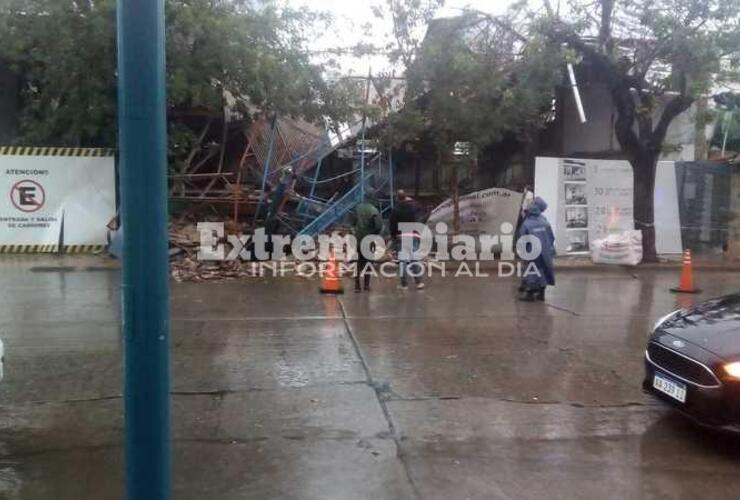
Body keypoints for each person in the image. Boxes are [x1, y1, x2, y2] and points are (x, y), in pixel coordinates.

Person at [518, 196, 555, 301]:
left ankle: (529, 293)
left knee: (532, 271)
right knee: (543, 270)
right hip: (545, 251)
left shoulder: (527, 224)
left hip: (532, 251)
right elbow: (551, 237)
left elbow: (522, 239)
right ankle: (541, 293)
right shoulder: (545, 221)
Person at [389, 190, 425, 290]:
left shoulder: (395, 209)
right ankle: (419, 283)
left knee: (402, 261)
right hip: (413, 234)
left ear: (397, 198)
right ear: (406, 197)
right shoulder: (413, 206)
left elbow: (392, 224)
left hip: (401, 236)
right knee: (415, 259)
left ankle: (404, 284)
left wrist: (393, 236)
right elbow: (422, 212)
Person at [350, 196, 383, 292]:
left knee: (358, 262)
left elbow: (352, 222)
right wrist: (374, 234)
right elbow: (378, 225)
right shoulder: (374, 210)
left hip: (358, 239)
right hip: (368, 239)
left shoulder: (357, 208)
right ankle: (366, 285)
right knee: (368, 262)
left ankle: (357, 286)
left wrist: (355, 232)